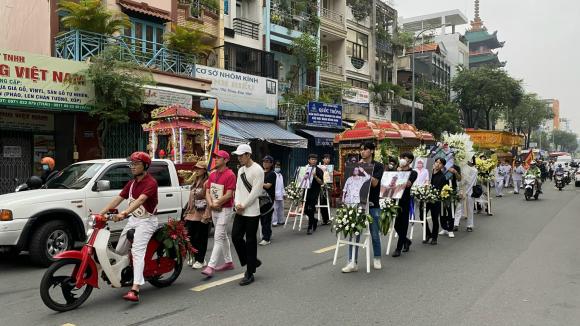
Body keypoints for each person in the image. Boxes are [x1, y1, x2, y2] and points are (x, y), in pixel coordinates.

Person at [99, 152, 158, 302]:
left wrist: (124, 213)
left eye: (136, 164)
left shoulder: (151, 183)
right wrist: (101, 213)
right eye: (131, 164)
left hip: (147, 221)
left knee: (138, 252)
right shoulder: (131, 183)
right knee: (119, 250)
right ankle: (124, 275)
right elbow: (118, 199)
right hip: (134, 219)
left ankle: (135, 289)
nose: (132, 167)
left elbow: (140, 200)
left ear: (145, 166)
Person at [341, 142, 384, 272]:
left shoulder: (378, 166)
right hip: (357, 203)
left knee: (374, 233)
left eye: (365, 149)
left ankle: (377, 258)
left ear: (371, 151)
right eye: (361, 150)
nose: (362, 152)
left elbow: (375, 183)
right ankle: (352, 262)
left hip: (372, 204)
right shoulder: (356, 165)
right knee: (354, 233)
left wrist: (365, 170)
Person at [232, 144, 264, 286]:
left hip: (252, 212)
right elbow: (238, 189)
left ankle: (250, 273)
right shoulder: (240, 170)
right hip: (240, 210)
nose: (239, 158)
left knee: (251, 241)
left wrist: (243, 205)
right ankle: (252, 261)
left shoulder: (258, 170)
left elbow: (256, 192)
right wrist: (237, 203)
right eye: (238, 156)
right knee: (235, 236)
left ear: (248, 155)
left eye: (241, 155)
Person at [202, 150, 236, 278]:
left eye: (219, 158)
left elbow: (229, 195)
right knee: (223, 235)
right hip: (215, 208)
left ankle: (211, 266)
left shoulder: (230, 175)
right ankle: (229, 262)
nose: (216, 160)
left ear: (226, 160)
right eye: (215, 157)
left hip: (225, 209)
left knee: (218, 237)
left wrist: (216, 203)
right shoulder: (212, 174)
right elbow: (208, 191)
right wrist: (211, 204)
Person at [184, 161, 211, 269]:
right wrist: (187, 210)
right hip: (192, 213)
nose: (197, 170)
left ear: (204, 170)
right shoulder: (195, 181)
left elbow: (209, 199)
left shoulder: (207, 182)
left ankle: (200, 259)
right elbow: (191, 198)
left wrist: (207, 214)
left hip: (202, 213)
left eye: (199, 168)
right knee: (190, 236)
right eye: (196, 168)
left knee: (201, 237)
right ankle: (195, 256)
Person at [391, 152, 417, 257]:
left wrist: (401, 173)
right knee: (396, 225)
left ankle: (398, 248)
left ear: (410, 161)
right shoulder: (396, 170)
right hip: (396, 199)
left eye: (404, 158)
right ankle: (406, 241)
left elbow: (408, 184)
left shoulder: (413, 172)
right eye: (401, 157)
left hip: (405, 200)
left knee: (403, 224)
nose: (402, 159)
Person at [423, 157, 447, 245]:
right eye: (436, 162)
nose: (437, 164)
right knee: (422, 216)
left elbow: (439, 190)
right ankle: (428, 234)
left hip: (435, 200)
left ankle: (434, 237)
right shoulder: (428, 173)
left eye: (440, 163)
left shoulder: (442, 177)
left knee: (434, 218)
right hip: (425, 198)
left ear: (442, 166)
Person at [453, 156, 477, 232]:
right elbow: (459, 180)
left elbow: (471, 183)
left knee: (470, 209)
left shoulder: (474, 170)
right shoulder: (462, 168)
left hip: (469, 192)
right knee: (459, 207)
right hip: (461, 190)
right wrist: (460, 191)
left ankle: (470, 225)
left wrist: (465, 192)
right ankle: (456, 224)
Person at [440, 161, 461, 238]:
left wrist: (455, 172)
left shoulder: (456, 167)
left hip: (452, 189)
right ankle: (444, 227)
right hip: (441, 189)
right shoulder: (441, 166)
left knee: (451, 210)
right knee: (442, 210)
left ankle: (450, 229)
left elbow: (459, 179)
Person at [304, 154, 324, 234]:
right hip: (306, 191)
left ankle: (310, 227)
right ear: (309, 160)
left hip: (314, 191)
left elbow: (321, 182)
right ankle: (314, 220)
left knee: (311, 209)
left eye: (315, 159)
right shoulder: (305, 168)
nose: (314, 161)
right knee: (305, 209)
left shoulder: (319, 170)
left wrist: (315, 176)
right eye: (312, 159)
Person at [259, 155, 276, 246]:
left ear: (271, 163)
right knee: (262, 219)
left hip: (268, 200)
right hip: (260, 199)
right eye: (264, 161)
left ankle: (266, 238)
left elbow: (268, 186)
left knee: (266, 219)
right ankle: (266, 234)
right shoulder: (261, 172)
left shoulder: (272, 174)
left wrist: (258, 182)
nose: (265, 163)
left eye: (267, 162)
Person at [319, 154, 332, 225]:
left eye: (328, 158)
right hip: (321, 186)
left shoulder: (330, 167)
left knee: (327, 202)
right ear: (323, 159)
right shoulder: (320, 167)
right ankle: (325, 219)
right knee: (322, 202)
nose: (327, 160)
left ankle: (327, 218)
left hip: (328, 186)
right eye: (326, 158)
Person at [272, 161, 285, 227]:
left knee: (281, 208)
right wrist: (273, 194)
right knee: (275, 209)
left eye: (279, 166)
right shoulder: (273, 175)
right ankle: (274, 222)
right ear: (274, 167)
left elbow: (282, 185)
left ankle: (281, 221)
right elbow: (273, 186)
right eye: (276, 166)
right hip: (275, 194)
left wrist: (284, 193)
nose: (278, 167)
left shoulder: (281, 175)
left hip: (281, 194)